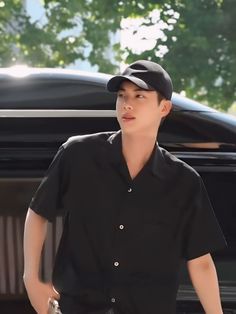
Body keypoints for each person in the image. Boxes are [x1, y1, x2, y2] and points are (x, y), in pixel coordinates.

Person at [23, 60, 227, 314]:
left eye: (139, 96)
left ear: (164, 107)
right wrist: (31, 278)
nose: (127, 104)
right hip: (79, 307)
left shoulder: (184, 181)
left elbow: (200, 261)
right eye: (122, 96)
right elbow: (38, 212)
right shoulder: (78, 154)